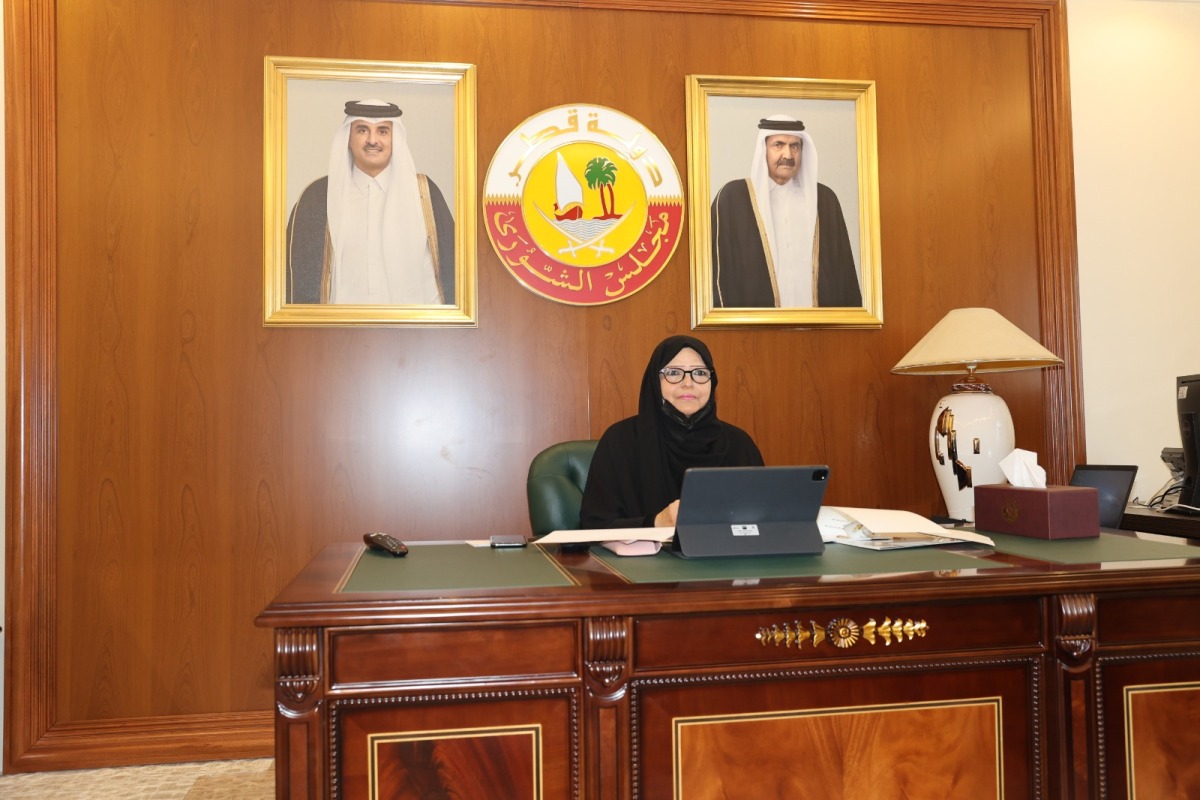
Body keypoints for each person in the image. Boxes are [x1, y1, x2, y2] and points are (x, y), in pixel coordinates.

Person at [579, 335, 764, 529]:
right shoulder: (620, 441)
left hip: (725, 558)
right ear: (655, 381)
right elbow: (593, 525)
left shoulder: (739, 444)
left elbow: (766, 520)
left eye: (700, 373)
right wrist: (656, 523)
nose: (688, 383)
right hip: (641, 559)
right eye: (674, 372)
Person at [286, 99, 455, 305]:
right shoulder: (317, 199)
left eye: (383, 131)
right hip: (338, 333)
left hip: (412, 333)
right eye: (362, 130)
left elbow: (449, 276)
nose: (372, 140)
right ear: (348, 137)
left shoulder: (424, 195)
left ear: (396, 139)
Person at [710, 115, 862, 309]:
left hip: (817, 331)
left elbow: (844, 272)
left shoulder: (824, 200)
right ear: (763, 149)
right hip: (754, 332)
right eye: (778, 145)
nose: (788, 155)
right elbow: (715, 274)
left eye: (795, 146)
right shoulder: (732, 198)